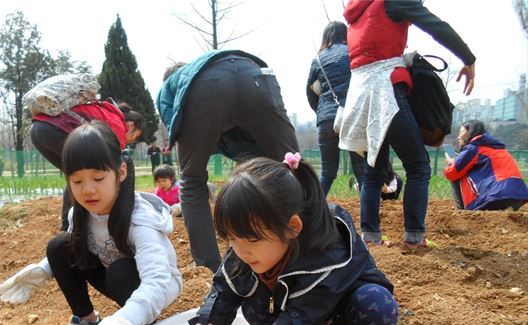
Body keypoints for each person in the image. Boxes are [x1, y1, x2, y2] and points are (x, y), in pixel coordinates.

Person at [140, 155, 398, 325]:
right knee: (252, 303)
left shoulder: (330, 251)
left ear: (292, 228)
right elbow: (221, 297)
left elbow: (298, 316)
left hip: (344, 308)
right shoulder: (245, 251)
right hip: (297, 311)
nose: (241, 251)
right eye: (232, 239)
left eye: (252, 239)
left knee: (377, 304)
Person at [0, 121, 183, 325]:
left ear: (122, 172)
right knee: (59, 246)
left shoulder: (139, 220)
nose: (88, 190)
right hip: (112, 271)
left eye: (97, 178)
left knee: (120, 271)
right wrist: (43, 270)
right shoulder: (80, 213)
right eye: (77, 181)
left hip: (156, 284)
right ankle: (87, 320)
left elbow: (157, 280)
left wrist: (127, 319)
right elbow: (74, 251)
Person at [338, 0, 476, 249]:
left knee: (374, 169)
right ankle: (414, 237)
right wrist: (468, 58)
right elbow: (435, 26)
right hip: (385, 90)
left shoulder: (357, 11)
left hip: (359, 95)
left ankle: (370, 237)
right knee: (418, 165)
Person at [157, 49, 299, 272]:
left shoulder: (172, 87)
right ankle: (312, 245)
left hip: (208, 90)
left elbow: (178, 127)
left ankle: (209, 267)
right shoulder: (212, 63)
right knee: (292, 165)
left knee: (191, 180)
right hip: (256, 75)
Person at [30, 99, 145, 231]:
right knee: (80, 174)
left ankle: (69, 226)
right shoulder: (117, 123)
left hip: (38, 128)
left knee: (77, 176)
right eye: (135, 137)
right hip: (53, 130)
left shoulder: (108, 112)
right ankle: (72, 227)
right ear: (131, 125)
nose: (132, 141)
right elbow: (116, 162)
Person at [306, 21, 365, 196]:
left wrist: (321, 113)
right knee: (362, 170)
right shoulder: (354, 53)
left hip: (326, 119)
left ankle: (312, 214)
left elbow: (309, 91)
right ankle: (368, 219)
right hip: (352, 116)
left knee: (327, 172)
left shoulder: (317, 59)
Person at [444, 120, 528, 211]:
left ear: (469, 133)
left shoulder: (473, 148)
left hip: (497, 196)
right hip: (518, 194)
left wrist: (450, 162)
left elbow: (452, 172)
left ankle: (463, 212)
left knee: (457, 175)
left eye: (460, 133)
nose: (458, 137)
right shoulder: (497, 147)